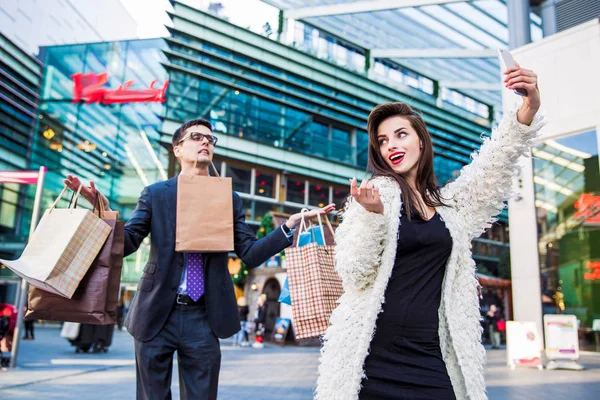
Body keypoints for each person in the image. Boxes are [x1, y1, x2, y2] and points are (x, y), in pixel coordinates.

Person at [64, 118, 335, 400]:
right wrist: (100, 210)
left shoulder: (228, 199)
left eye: (210, 139)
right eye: (196, 137)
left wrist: (288, 226)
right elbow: (128, 241)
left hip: (203, 317)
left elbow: (250, 253)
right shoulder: (155, 194)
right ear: (177, 150)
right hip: (156, 313)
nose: (206, 141)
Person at [316, 64, 543, 400]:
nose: (390, 145)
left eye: (400, 134)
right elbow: (353, 272)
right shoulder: (376, 196)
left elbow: (493, 165)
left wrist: (528, 107)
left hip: (432, 356)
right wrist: (373, 219)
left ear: (421, 141)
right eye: (382, 140)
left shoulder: (451, 207)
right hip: (372, 359)